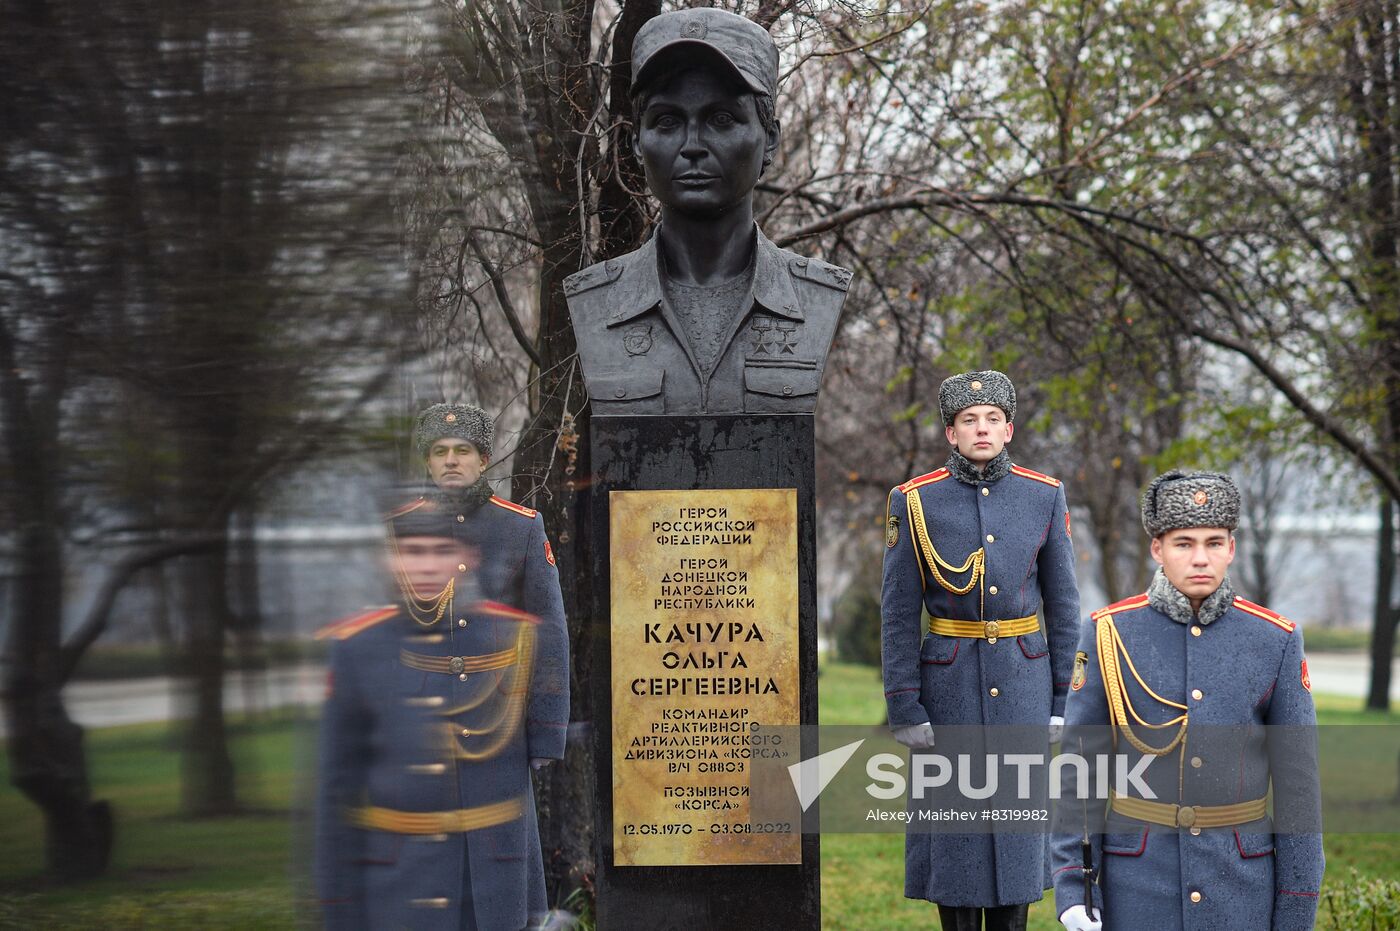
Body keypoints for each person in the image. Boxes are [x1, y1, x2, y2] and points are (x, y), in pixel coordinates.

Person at [313, 403, 569, 930]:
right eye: (440, 453)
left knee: (499, 879)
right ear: (428, 463)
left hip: (494, 728)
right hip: (412, 723)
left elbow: (549, 630)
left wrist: (545, 736)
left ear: (483, 459)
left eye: (462, 452)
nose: (451, 462)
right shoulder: (397, 529)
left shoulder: (519, 527)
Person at [1051, 470, 1324, 931]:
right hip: (1135, 885)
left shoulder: (1274, 640)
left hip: (1241, 888)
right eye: (1184, 543)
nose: (1201, 558)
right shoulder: (1108, 633)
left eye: (1214, 543)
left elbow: (1299, 790)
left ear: (1231, 549)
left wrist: (1296, 909)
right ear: (1158, 548)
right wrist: (1074, 887)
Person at [564, 7, 850, 415]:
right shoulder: (593, 301)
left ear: (769, 139)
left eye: (721, 118)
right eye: (667, 121)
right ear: (636, 144)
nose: (693, 145)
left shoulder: (818, 296)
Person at [880, 370, 1082, 931]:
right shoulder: (914, 501)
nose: (981, 429)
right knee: (956, 836)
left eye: (992, 418)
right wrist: (905, 705)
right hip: (948, 690)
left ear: (1009, 428)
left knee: (1018, 834)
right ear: (951, 433)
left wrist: (1065, 698)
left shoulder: (1044, 495)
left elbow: (1064, 606)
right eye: (969, 420)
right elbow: (898, 613)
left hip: (1024, 685)